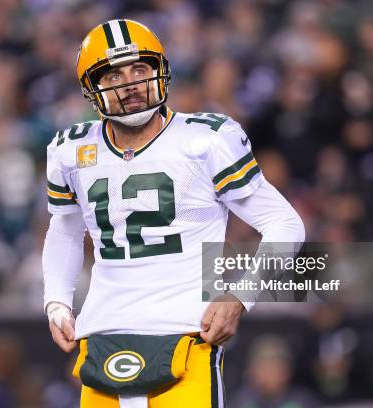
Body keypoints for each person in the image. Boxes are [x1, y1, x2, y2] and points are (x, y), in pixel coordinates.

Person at [43, 19, 305, 407]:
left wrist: (239, 296)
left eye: (139, 69)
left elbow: (286, 224)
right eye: (114, 74)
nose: (130, 83)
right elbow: (64, 230)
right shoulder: (70, 149)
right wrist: (57, 301)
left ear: (160, 71)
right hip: (101, 334)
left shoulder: (206, 139)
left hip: (186, 332)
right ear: (90, 88)